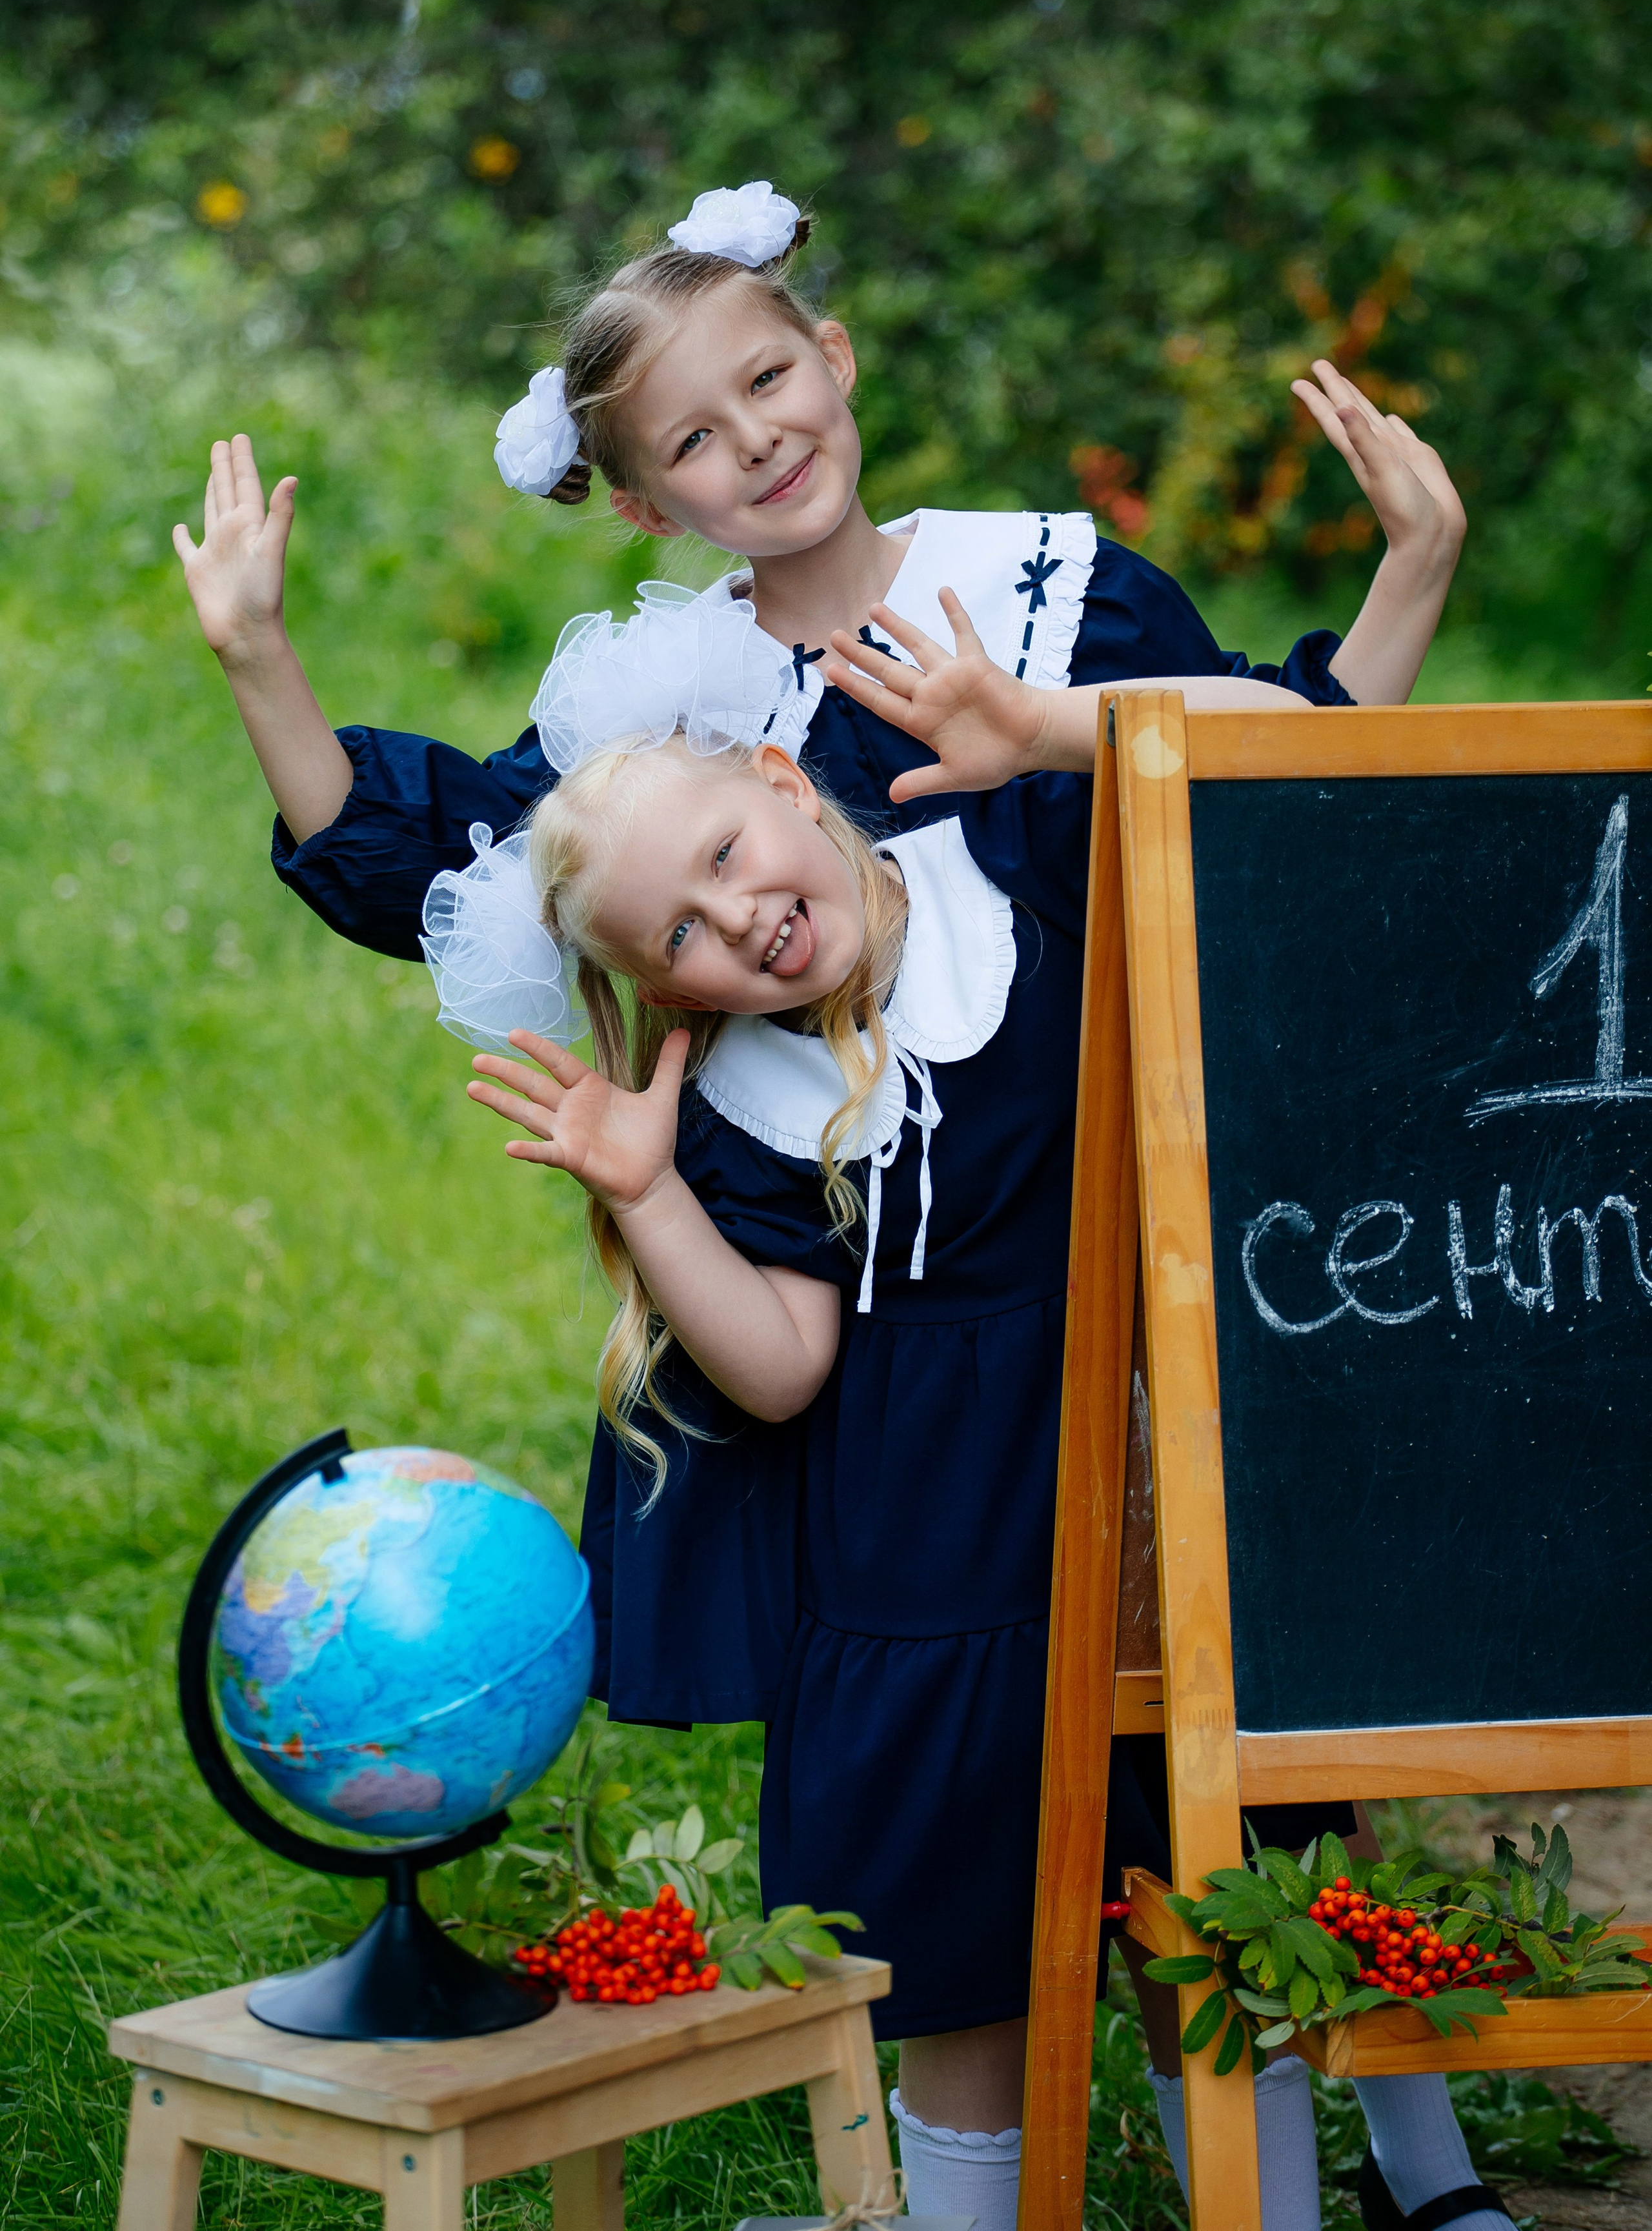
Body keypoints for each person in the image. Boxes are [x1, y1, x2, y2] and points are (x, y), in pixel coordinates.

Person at [438, 585, 1502, 2231]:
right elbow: (782, 1365)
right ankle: (961, 2219)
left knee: (1242, 1857)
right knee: (955, 1933)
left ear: (789, 788)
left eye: (728, 857)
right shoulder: (735, 1105)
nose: (740, 926)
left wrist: (1053, 724)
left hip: (1154, 1476)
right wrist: (651, 1202)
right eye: (681, 939)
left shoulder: (996, 855)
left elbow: (1271, 764)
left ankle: (1348, 2195)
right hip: (928, 1548)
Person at [169, 178, 1463, 967]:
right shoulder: (664, 706)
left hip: (1090, 1209)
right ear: (645, 506)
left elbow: (1278, 786)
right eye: (690, 439)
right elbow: (438, 877)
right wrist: (255, 657)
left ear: (832, 358)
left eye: (768, 379)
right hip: (823, 1269)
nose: (754, 441)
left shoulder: (1051, 589)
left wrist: (1413, 564)